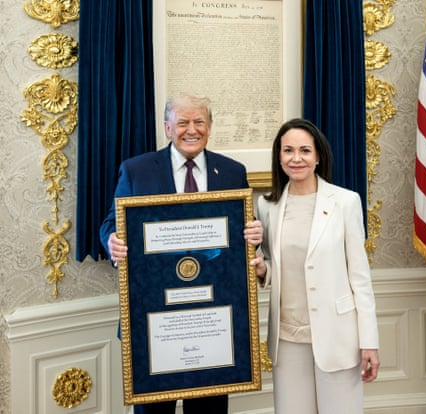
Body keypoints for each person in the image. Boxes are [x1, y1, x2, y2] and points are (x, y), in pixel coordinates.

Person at [100, 93, 263, 414]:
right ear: (167, 127)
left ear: (210, 126)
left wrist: (254, 236)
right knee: (154, 409)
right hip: (154, 313)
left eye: (199, 122)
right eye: (183, 122)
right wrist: (112, 240)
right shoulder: (137, 170)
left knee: (209, 407)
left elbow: (239, 236)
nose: (192, 130)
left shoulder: (232, 171)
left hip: (213, 313)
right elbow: (111, 223)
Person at [251, 118, 380, 414]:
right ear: (279, 156)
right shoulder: (267, 206)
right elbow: (273, 262)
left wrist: (369, 342)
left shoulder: (345, 202)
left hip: (338, 337)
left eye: (305, 151)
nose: (296, 158)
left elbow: (360, 278)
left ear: (318, 156)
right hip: (286, 338)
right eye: (288, 151)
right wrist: (262, 270)